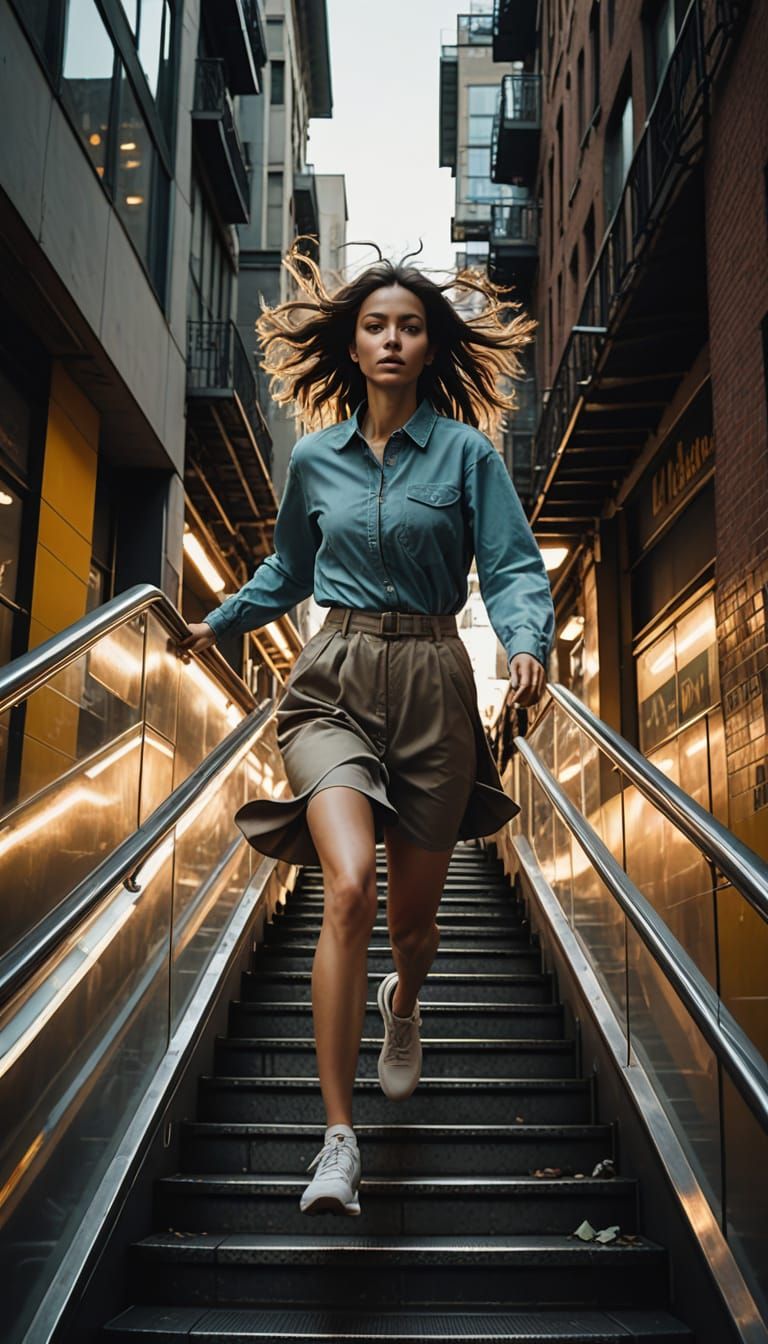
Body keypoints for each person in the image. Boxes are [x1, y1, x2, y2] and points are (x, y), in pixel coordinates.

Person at [178, 237, 555, 1218]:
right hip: (333, 679)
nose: (391, 340)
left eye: (409, 327)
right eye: (375, 325)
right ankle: (337, 1139)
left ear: (431, 348)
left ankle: (404, 1000)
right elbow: (286, 572)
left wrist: (524, 643)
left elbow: (514, 567)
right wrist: (214, 622)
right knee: (346, 884)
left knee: (414, 928)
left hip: (434, 675)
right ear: (352, 341)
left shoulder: (468, 457)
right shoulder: (314, 460)